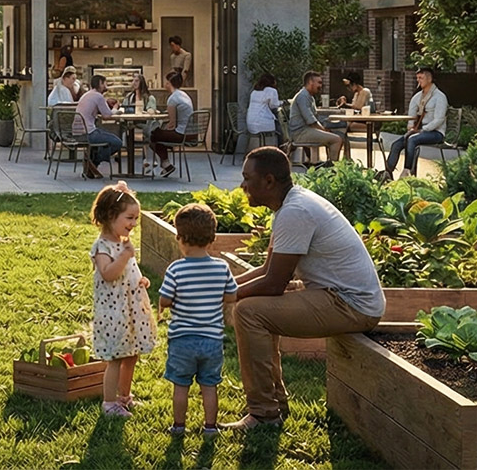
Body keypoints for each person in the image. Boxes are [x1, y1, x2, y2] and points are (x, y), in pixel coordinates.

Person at [229, 147, 385, 429]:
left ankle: (264, 413)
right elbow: (267, 271)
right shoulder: (289, 206)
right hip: (334, 296)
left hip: (350, 304)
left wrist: (224, 294)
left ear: (268, 181)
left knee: (248, 312)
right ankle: (273, 403)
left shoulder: (295, 211)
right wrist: (220, 285)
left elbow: (275, 284)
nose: (242, 185)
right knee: (252, 308)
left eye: (247, 178)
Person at [159, 202, 238, 436]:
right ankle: (210, 427)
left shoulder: (176, 270)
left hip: (182, 340)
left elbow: (164, 300)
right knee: (209, 385)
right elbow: (232, 296)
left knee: (181, 385)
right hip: (212, 340)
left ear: (180, 238)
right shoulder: (222, 268)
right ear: (212, 238)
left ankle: (179, 426)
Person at [90, 181, 158, 417]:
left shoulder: (122, 243)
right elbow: (108, 274)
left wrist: (140, 279)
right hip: (113, 312)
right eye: (129, 217)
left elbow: (127, 271)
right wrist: (126, 257)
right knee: (116, 357)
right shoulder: (102, 247)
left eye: (136, 218)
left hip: (130, 310)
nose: (134, 223)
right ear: (111, 216)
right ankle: (109, 403)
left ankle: (124, 397)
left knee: (131, 354)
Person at [381, 67, 448, 181]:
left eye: (421, 78)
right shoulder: (418, 97)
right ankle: (387, 173)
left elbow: (439, 119)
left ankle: (407, 172)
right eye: (417, 78)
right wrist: (411, 127)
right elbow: (411, 115)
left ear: (429, 79)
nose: (418, 81)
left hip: (435, 132)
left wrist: (422, 130)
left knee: (412, 139)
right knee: (396, 144)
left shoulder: (439, 97)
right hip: (418, 131)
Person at [287, 71, 349, 162]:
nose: (321, 85)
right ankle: (333, 169)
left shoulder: (309, 97)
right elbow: (311, 121)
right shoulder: (302, 97)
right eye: (319, 82)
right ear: (310, 82)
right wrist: (324, 130)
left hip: (306, 130)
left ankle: (332, 164)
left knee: (340, 135)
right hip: (300, 133)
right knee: (336, 140)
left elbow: (316, 118)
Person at [73, 74, 125, 180]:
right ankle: (94, 161)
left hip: (78, 132)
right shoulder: (98, 96)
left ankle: (91, 163)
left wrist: (106, 104)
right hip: (89, 133)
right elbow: (107, 116)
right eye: (105, 83)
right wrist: (116, 108)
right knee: (117, 142)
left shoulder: (87, 95)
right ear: (100, 84)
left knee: (104, 137)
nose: (106, 86)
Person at [146, 70, 194, 178]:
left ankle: (166, 164)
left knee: (153, 135)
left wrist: (164, 129)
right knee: (158, 135)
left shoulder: (172, 99)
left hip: (181, 134)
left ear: (169, 83)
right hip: (191, 132)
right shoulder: (183, 95)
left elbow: (172, 123)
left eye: (166, 81)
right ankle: (165, 164)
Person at [245, 74, 282, 148]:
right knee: (279, 127)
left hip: (250, 124)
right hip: (262, 124)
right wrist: (283, 102)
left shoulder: (254, 92)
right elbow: (274, 105)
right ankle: (280, 148)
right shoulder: (272, 91)